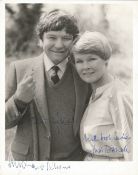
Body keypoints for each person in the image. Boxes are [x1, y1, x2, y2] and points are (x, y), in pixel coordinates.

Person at [5, 9, 91, 161]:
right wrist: (18, 101)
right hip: (28, 162)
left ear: (74, 41)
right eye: (52, 37)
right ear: (40, 40)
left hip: (72, 162)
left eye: (66, 38)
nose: (59, 45)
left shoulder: (83, 73)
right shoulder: (19, 69)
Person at [73, 31, 133, 161]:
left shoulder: (119, 95)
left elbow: (132, 152)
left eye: (92, 59)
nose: (85, 66)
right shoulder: (94, 93)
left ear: (106, 60)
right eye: (79, 61)